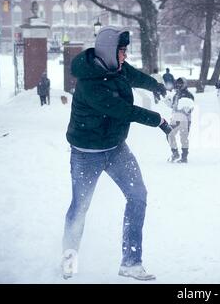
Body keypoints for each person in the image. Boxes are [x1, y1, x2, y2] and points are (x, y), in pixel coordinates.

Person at [62, 26, 172, 281]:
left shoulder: (116, 67)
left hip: (115, 148)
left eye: (125, 51)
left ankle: (131, 263)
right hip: (86, 154)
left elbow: (133, 75)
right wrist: (159, 121)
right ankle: (69, 262)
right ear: (109, 52)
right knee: (80, 207)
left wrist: (154, 85)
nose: (125, 56)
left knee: (138, 196)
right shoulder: (90, 84)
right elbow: (124, 110)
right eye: (122, 51)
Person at [165, 77, 195, 163]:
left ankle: (184, 156)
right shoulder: (176, 94)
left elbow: (190, 109)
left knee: (183, 137)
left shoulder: (189, 95)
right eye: (177, 83)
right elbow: (174, 106)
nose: (179, 85)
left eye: (181, 83)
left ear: (184, 84)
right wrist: (169, 103)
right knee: (169, 134)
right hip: (175, 118)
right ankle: (175, 153)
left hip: (185, 119)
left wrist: (183, 108)